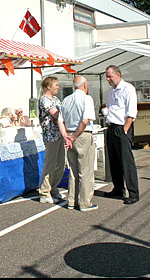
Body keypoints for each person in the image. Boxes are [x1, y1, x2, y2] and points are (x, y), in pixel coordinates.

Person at [58, 76, 98, 212]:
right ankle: (85, 202)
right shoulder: (87, 99)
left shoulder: (66, 99)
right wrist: (74, 136)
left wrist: (66, 137)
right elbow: (85, 120)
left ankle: (72, 200)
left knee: (73, 170)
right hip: (82, 134)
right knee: (85, 170)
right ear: (85, 85)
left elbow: (60, 120)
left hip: (69, 134)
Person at [103, 65, 140, 205]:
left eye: (110, 76)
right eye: (107, 76)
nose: (108, 79)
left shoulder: (128, 89)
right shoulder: (111, 91)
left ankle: (133, 192)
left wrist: (125, 129)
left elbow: (131, 111)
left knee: (126, 161)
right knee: (114, 160)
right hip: (111, 126)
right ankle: (118, 188)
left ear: (118, 75)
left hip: (121, 127)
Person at [37, 77, 66, 204]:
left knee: (60, 164)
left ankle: (53, 187)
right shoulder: (44, 99)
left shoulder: (57, 99)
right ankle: (44, 191)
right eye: (56, 85)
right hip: (50, 135)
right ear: (48, 86)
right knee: (50, 164)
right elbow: (56, 115)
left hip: (60, 134)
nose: (58, 87)